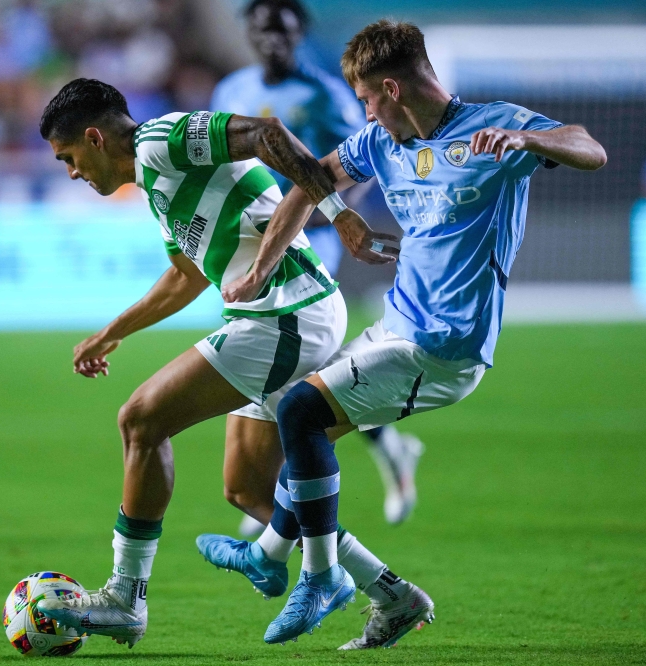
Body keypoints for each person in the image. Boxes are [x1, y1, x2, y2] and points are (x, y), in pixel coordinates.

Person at [206, 20, 607, 647]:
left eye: (367, 98)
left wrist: (530, 139)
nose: (365, 110)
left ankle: (314, 575)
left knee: (304, 412)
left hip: (445, 349)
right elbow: (310, 182)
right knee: (281, 431)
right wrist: (261, 269)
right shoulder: (380, 142)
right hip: (394, 329)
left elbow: (589, 147)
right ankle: (385, 595)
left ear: (391, 87)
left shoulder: (494, 126)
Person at [33, 78, 415, 648]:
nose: (71, 173)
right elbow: (185, 277)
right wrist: (110, 334)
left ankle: (124, 597)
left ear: (94, 137)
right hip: (282, 314)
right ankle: (392, 593)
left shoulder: (162, 140)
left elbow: (266, 133)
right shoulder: (158, 184)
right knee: (248, 488)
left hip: (287, 313)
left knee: (141, 419)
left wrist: (337, 213)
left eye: (69, 158)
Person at [211, 0, 425, 532]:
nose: (273, 41)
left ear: (299, 33)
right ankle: (389, 453)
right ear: (249, 33)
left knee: (304, 370)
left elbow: (367, 158)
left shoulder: (326, 95)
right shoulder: (230, 91)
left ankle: (275, 494)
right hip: (252, 247)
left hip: (308, 244)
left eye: (283, 31)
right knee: (303, 373)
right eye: (263, 30)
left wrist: (337, 215)